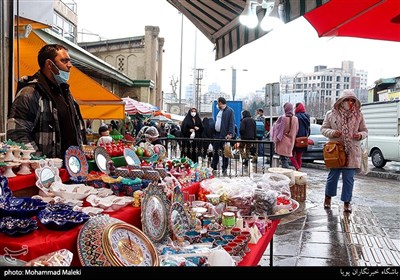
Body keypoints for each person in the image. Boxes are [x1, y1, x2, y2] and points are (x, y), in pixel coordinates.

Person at [7, 44, 87, 159]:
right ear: (49, 64)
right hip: (45, 171)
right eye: (64, 61)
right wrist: (40, 162)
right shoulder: (30, 93)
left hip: (71, 169)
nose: (70, 65)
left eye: (69, 61)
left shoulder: (65, 93)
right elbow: (17, 133)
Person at [321, 89, 368, 213]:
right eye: (347, 99)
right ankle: (328, 198)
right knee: (333, 177)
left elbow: (365, 131)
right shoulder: (331, 114)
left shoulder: (359, 114)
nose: (350, 102)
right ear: (341, 101)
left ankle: (347, 202)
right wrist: (332, 132)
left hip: (352, 151)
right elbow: (324, 128)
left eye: (352, 100)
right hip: (335, 150)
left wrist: (360, 135)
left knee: (349, 179)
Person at [270, 102, 298, 169]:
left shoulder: (283, 118)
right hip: (291, 142)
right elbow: (296, 130)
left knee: (284, 160)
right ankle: (286, 173)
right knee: (285, 159)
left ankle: (286, 174)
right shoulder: (295, 119)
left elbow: (278, 130)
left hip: (282, 142)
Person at [211, 97, 235, 175]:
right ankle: (214, 166)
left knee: (225, 153)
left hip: (224, 135)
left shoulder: (229, 111)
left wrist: (230, 133)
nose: (217, 104)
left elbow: (231, 123)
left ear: (220, 103)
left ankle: (224, 168)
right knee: (215, 151)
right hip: (217, 134)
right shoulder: (220, 111)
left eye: (218, 102)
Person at [289, 103, 311, 171]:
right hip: (303, 139)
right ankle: (299, 169)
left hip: (295, 138)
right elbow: (308, 129)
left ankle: (297, 168)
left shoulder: (296, 117)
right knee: (299, 156)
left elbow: (293, 128)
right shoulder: (307, 117)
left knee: (290, 154)